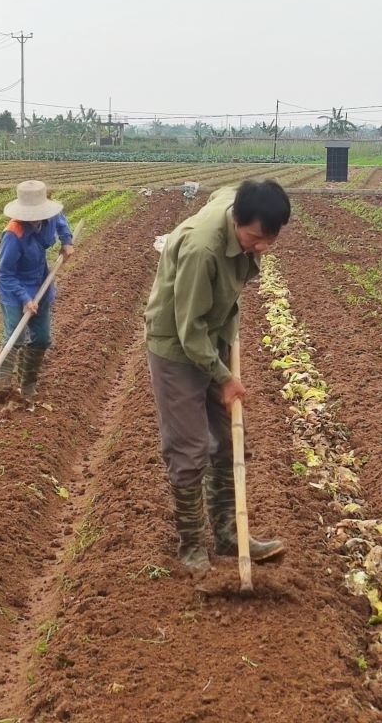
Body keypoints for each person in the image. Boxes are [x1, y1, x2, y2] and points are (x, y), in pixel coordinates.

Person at [144, 178, 292, 572]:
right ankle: (191, 544)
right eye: (256, 237)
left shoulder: (236, 205)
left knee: (229, 439)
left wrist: (223, 361)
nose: (262, 247)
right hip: (177, 345)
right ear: (237, 221)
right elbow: (188, 328)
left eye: (270, 240)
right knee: (189, 447)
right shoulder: (201, 249)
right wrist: (225, 377)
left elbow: (222, 192)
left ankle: (229, 536)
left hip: (213, 335)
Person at [0, 180, 74, 407]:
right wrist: (25, 299)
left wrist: (67, 241)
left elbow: (60, 220)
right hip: (14, 289)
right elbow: (5, 274)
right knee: (14, 337)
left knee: (42, 337)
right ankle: (0, 385)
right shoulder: (13, 235)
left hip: (40, 282)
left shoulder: (49, 218)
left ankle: (27, 384)